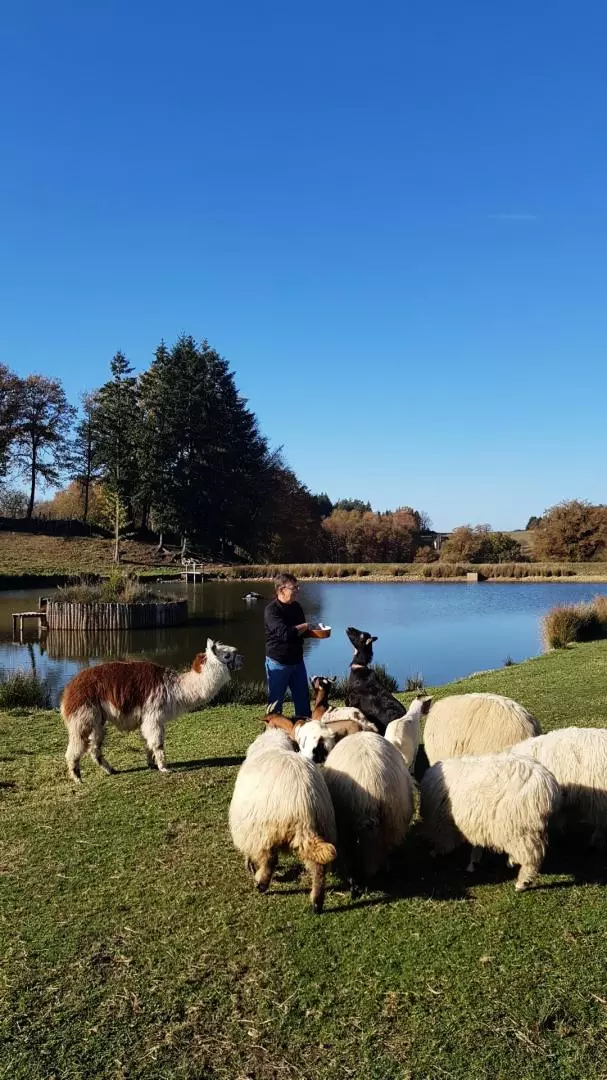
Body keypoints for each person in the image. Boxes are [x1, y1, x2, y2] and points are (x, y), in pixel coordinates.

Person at [264, 573, 311, 717]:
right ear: (281, 590)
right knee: (275, 704)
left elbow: (301, 633)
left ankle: (303, 726)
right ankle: (272, 728)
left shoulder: (296, 607)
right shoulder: (272, 610)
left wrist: (317, 631)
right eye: (294, 588)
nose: (297, 590)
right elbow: (285, 633)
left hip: (297, 661)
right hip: (278, 663)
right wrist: (305, 626)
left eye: (297, 587)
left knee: (303, 703)